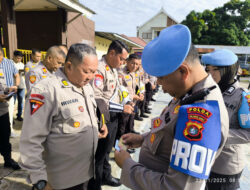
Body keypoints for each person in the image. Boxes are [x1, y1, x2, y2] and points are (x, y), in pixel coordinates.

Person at [114, 24, 229, 190]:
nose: (159, 84)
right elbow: (168, 130)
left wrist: (128, 166)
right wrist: (144, 138)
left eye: (161, 78)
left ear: (183, 71)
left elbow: (176, 187)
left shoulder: (202, 113)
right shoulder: (189, 92)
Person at [19, 43, 108, 190]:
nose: (91, 77)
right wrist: (40, 180)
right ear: (69, 66)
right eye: (87, 71)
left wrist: (96, 126)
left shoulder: (85, 86)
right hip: (59, 181)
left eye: (94, 72)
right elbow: (30, 140)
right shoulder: (45, 91)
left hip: (85, 173)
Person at [88, 40, 134, 190]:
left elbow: (119, 89)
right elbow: (98, 98)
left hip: (114, 114)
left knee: (108, 150)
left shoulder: (113, 68)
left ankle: (105, 176)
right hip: (103, 116)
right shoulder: (100, 69)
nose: (122, 63)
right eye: (121, 59)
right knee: (99, 154)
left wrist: (127, 100)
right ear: (112, 53)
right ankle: (95, 184)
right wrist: (122, 108)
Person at [202, 49, 250, 190]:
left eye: (215, 70)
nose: (209, 74)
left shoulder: (242, 97)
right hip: (205, 160)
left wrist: (216, 135)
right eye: (208, 69)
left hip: (225, 165)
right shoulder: (208, 90)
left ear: (227, 70)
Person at [0, 45, 21, 170]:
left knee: (5, 133)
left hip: (2, 106)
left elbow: (16, 76)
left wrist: (14, 87)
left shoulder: (9, 63)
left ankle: (8, 159)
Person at [117, 53, 143, 139]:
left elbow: (136, 86)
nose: (134, 66)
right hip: (125, 105)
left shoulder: (133, 73)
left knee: (129, 124)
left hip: (133, 103)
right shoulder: (121, 73)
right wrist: (133, 96)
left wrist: (140, 93)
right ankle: (121, 148)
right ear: (127, 61)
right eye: (133, 63)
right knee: (122, 128)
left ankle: (126, 144)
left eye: (137, 64)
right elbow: (120, 90)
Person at [12, 50, 25, 121]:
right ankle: (11, 118)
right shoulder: (10, 64)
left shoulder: (22, 64)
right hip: (13, 86)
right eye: (18, 58)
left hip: (21, 86)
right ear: (13, 56)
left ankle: (19, 115)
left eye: (20, 58)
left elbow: (24, 75)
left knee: (21, 101)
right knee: (12, 102)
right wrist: (16, 73)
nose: (19, 59)